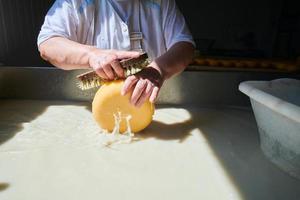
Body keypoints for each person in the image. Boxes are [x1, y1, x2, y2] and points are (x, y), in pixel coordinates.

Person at [38, 0, 195, 107]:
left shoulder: (162, 2)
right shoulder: (74, 2)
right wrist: (92, 54)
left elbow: (185, 46)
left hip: (154, 106)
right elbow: (48, 44)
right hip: (92, 109)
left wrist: (158, 70)